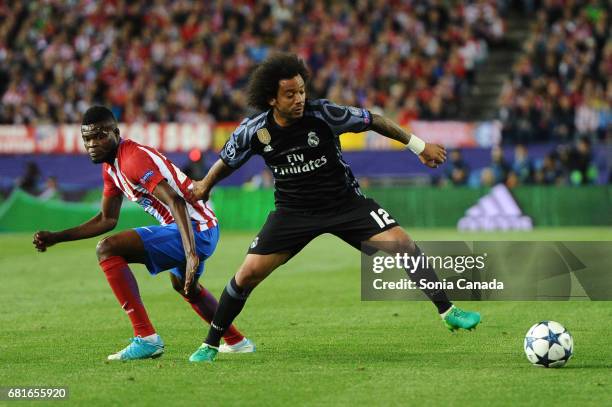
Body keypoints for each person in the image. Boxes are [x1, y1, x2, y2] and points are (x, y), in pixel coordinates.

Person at [187, 53, 481, 362]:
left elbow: (373, 120)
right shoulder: (255, 130)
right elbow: (228, 160)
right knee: (247, 275)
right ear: (271, 99)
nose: (299, 98)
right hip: (293, 211)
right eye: (290, 94)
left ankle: (448, 310)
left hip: (345, 204)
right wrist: (205, 185)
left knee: (403, 244)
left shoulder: (324, 114)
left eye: (301, 91)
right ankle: (211, 343)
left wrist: (420, 147)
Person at [32, 106, 254, 361]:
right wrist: (57, 237)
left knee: (107, 248)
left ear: (116, 133)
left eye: (100, 136)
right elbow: (107, 219)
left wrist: (191, 254)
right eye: (87, 139)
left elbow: (175, 201)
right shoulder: (110, 168)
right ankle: (237, 341)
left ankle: (146, 337)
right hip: (193, 229)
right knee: (185, 288)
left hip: (196, 230)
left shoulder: (132, 158)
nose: (92, 144)